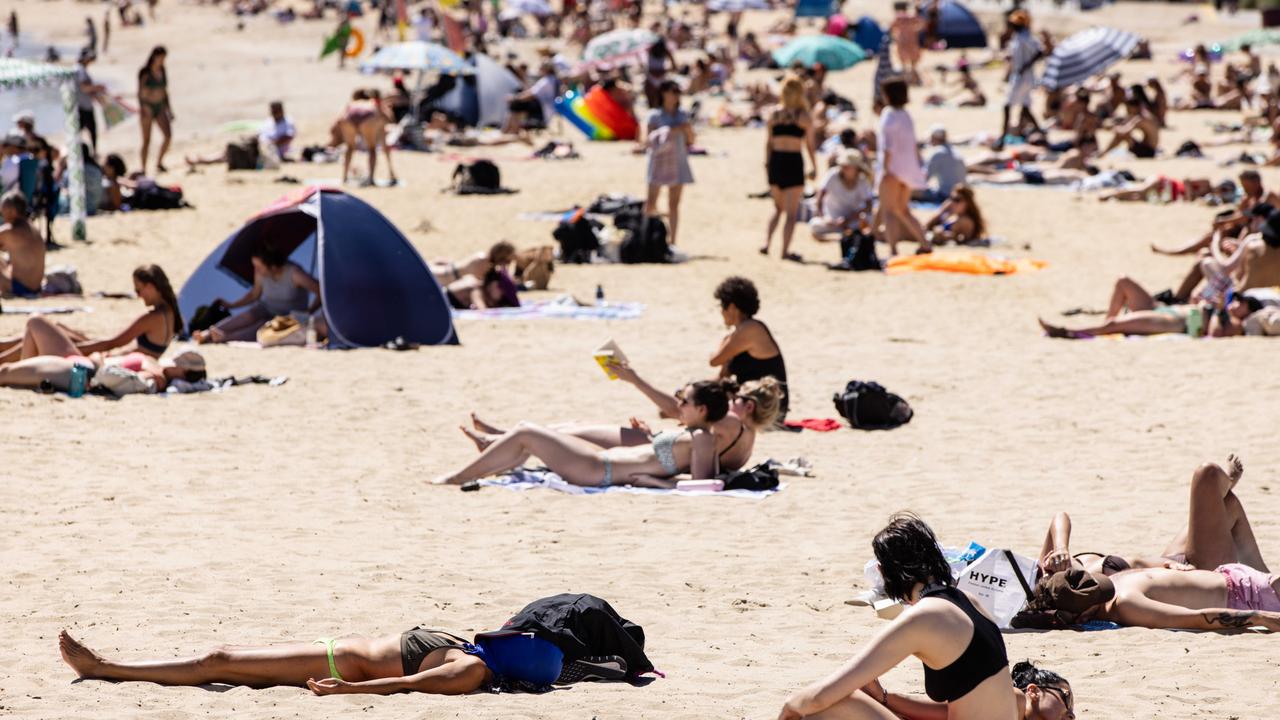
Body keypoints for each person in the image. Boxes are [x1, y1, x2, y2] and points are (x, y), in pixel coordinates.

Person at [778, 513, 1021, 720]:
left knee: (826, 705)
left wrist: (789, 707)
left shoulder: (923, 617)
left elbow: (822, 696)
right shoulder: (969, 600)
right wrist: (884, 699)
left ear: (883, 572)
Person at [432, 379, 740, 487]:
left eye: (684, 400)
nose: (678, 404)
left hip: (599, 469)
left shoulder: (701, 438)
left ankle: (459, 477)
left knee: (528, 431)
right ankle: (493, 449)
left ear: (702, 410)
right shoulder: (697, 434)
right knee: (548, 434)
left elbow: (703, 485)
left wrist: (657, 483)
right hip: (600, 462)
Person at [466, 371, 783, 475]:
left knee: (570, 431)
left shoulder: (728, 421)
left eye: (738, 398)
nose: (732, 401)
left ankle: (497, 440)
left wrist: (633, 378)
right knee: (570, 429)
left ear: (749, 406)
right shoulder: (747, 442)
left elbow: (675, 410)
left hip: (652, 450)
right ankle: (500, 437)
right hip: (659, 445)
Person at [58, 625, 495, 695]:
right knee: (220, 659)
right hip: (332, 649)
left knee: (217, 660)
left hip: (334, 666)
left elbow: (407, 685)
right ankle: (106, 667)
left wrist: (349, 690)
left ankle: (104, 668)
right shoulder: (475, 648)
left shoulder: (471, 668)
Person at [1040, 456, 1268, 578]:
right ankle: (1223, 484)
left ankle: (1262, 576)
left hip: (1171, 559)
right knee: (1206, 474)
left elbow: (1059, 517)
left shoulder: (1041, 569)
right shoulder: (1064, 595)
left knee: (1227, 505)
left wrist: (1061, 547)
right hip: (1194, 573)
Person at [0, 265, 182, 365]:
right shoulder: (169, 313)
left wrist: (79, 347)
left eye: (139, 290)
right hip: (110, 357)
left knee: (38, 325)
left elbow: (112, 343)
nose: (138, 295)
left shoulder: (153, 317)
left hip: (104, 362)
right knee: (57, 329)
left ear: (150, 286)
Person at [1037, 278, 1260, 339]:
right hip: (1165, 309)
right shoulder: (1225, 310)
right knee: (1123, 282)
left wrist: (1219, 311)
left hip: (1173, 323)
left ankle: (1068, 331)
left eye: (1242, 304)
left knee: (1116, 325)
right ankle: (1105, 325)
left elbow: (1214, 334)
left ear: (1248, 311)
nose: (1236, 303)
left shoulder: (1237, 324)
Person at [192, 244, 320, 344]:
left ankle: (225, 338)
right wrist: (231, 305)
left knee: (262, 324)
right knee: (250, 315)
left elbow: (320, 290)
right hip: (266, 308)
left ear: (273, 266)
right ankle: (208, 333)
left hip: (286, 317)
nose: (256, 270)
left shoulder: (294, 274)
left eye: (259, 267)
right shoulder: (260, 273)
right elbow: (254, 295)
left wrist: (309, 311)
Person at [710, 276, 789, 420]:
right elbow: (722, 375)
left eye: (722, 306)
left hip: (766, 408)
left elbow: (714, 360)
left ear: (732, 307)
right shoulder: (740, 332)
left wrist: (726, 339)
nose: (721, 311)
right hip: (750, 402)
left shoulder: (750, 329)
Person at [762, 74, 817, 261]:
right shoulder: (803, 117)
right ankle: (784, 251)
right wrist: (815, 166)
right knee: (791, 213)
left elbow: (768, 144)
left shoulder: (774, 114)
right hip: (793, 161)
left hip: (776, 161)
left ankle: (766, 243)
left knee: (777, 208)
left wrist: (767, 165)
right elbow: (810, 145)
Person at [877, 77, 930, 255]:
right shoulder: (906, 115)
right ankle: (925, 243)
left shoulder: (888, 115)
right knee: (903, 210)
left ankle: (893, 250)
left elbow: (887, 146)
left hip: (892, 169)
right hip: (908, 170)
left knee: (889, 211)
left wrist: (885, 170)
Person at [0, 348, 205, 394]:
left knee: (6, 373)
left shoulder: (156, 378)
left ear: (183, 372)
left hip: (81, 371)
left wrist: (98, 361)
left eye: (176, 364)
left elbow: (110, 376)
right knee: (36, 322)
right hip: (80, 362)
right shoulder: (155, 365)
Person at [641, 80, 694, 246]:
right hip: (658, 162)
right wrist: (671, 130)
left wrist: (686, 129)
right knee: (651, 204)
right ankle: (647, 237)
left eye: (678, 92)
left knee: (674, 204)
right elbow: (647, 141)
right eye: (673, 91)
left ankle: (673, 241)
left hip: (678, 161)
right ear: (663, 93)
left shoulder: (683, 115)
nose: (675, 95)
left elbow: (691, 141)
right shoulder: (654, 115)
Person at [997, 10, 1043, 150]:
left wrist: (1025, 66)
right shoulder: (1017, 37)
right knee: (1025, 108)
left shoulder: (1025, 37)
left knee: (1007, 106)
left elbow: (1039, 52)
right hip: (1019, 75)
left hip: (1023, 77)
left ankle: (1003, 137)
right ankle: (1040, 132)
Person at [809, 149, 874, 241]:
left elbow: (869, 204)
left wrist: (849, 218)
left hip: (853, 219)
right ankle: (846, 234)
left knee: (870, 219)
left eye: (848, 166)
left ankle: (845, 234)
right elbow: (819, 197)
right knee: (814, 224)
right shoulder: (833, 175)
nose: (844, 167)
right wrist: (823, 217)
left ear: (856, 167)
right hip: (833, 219)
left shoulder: (862, 180)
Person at [336, 90, 397, 186]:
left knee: (350, 147)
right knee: (372, 149)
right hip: (369, 119)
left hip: (348, 119)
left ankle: (344, 177)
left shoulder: (353, 103)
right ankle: (371, 179)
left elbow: (339, 119)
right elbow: (389, 118)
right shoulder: (374, 103)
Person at [0, 191, 44, 297]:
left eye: (3, 208)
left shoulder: (10, 231)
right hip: (36, 287)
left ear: (13, 211)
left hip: (21, 288)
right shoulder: (32, 228)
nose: (1, 212)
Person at [137, 46, 173, 175]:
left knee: (168, 136)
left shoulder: (162, 70)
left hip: (160, 106)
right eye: (161, 57)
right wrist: (144, 107)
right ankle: (143, 168)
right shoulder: (145, 72)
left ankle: (159, 162)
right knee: (146, 141)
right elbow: (140, 93)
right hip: (147, 108)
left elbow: (165, 91)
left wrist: (169, 109)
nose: (163, 60)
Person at [1099, 85, 1160, 159]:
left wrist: (1112, 128)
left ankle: (1103, 153)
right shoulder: (1145, 114)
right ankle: (1103, 153)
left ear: (1134, 108)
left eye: (1128, 109)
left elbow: (1124, 131)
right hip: (1150, 149)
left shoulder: (1141, 119)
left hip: (1148, 152)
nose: (1128, 111)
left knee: (1122, 136)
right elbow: (1126, 121)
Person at [430, 241, 516, 285]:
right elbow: (482, 283)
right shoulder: (483, 262)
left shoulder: (483, 256)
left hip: (444, 273)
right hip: (442, 277)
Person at [919, 126, 967, 203]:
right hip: (963, 194)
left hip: (946, 195)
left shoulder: (938, 153)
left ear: (935, 138)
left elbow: (924, 179)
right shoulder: (955, 151)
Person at [445, 267, 519, 311]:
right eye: (501, 289)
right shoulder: (476, 288)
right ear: (492, 283)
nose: (501, 294)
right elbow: (482, 310)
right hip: (442, 302)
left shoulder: (477, 282)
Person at [75, 49, 105, 152]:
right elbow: (84, 88)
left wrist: (98, 96)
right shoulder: (80, 70)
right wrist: (97, 88)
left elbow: (87, 90)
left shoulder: (81, 70)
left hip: (85, 105)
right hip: (82, 106)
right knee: (82, 130)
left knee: (89, 130)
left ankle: (92, 151)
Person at [890, 2, 925, 85]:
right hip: (911, 40)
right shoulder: (911, 17)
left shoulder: (900, 17)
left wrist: (896, 36)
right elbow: (922, 24)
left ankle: (906, 80)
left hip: (904, 40)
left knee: (904, 64)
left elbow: (892, 27)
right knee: (912, 63)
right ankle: (912, 80)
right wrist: (915, 30)